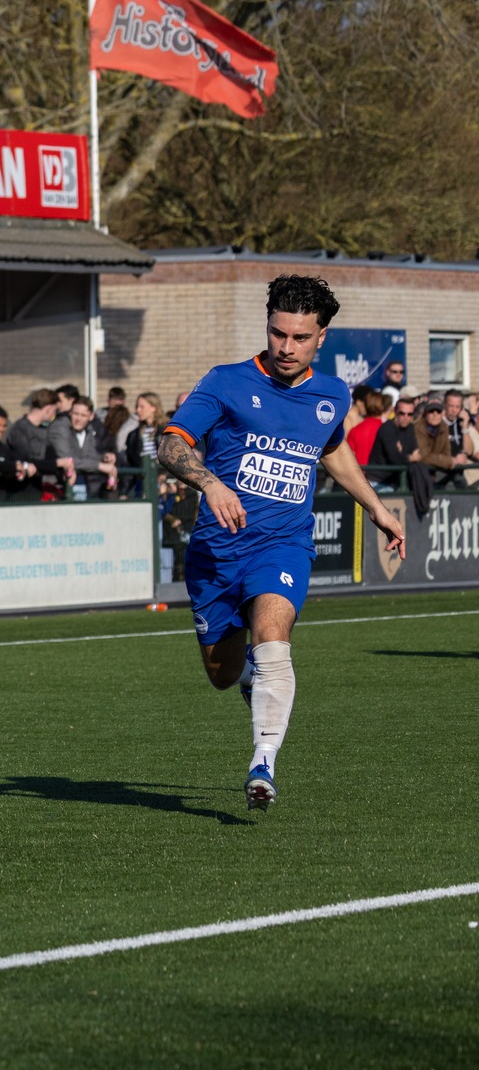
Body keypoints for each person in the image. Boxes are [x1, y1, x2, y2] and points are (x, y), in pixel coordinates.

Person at [155, 274, 404, 812]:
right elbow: (170, 444)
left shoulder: (332, 393)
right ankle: (250, 677)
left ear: (321, 337)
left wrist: (377, 508)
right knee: (222, 674)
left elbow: (331, 449)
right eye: (278, 333)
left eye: (300, 337)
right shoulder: (225, 381)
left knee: (273, 636)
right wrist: (210, 483)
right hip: (217, 551)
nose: (286, 347)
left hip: (284, 544)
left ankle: (262, 763)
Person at [48, 394, 116, 498]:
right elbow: (68, 459)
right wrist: (100, 466)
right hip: (56, 488)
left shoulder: (90, 429)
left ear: (91, 416)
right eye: (75, 413)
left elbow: (90, 456)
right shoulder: (60, 427)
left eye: (83, 415)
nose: (78, 419)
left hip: (83, 486)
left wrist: (104, 458)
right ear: (70, 412)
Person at [344, 387, 386, 468]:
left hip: (362, 469)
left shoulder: (360, 424)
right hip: (365, 469)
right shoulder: (347, 419)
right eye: (366, 401)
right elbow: (346, 449)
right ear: (359, 402)